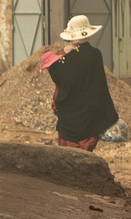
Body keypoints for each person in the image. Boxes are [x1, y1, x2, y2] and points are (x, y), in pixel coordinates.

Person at [45, 15, 119, 150]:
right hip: (88, 121)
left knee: (67, 157)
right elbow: (99, 87)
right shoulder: (95, 55)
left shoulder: (65, 58)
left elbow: (58, 77)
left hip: (68, 123)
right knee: (84, 157)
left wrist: (65, 55)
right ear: (88, 35)